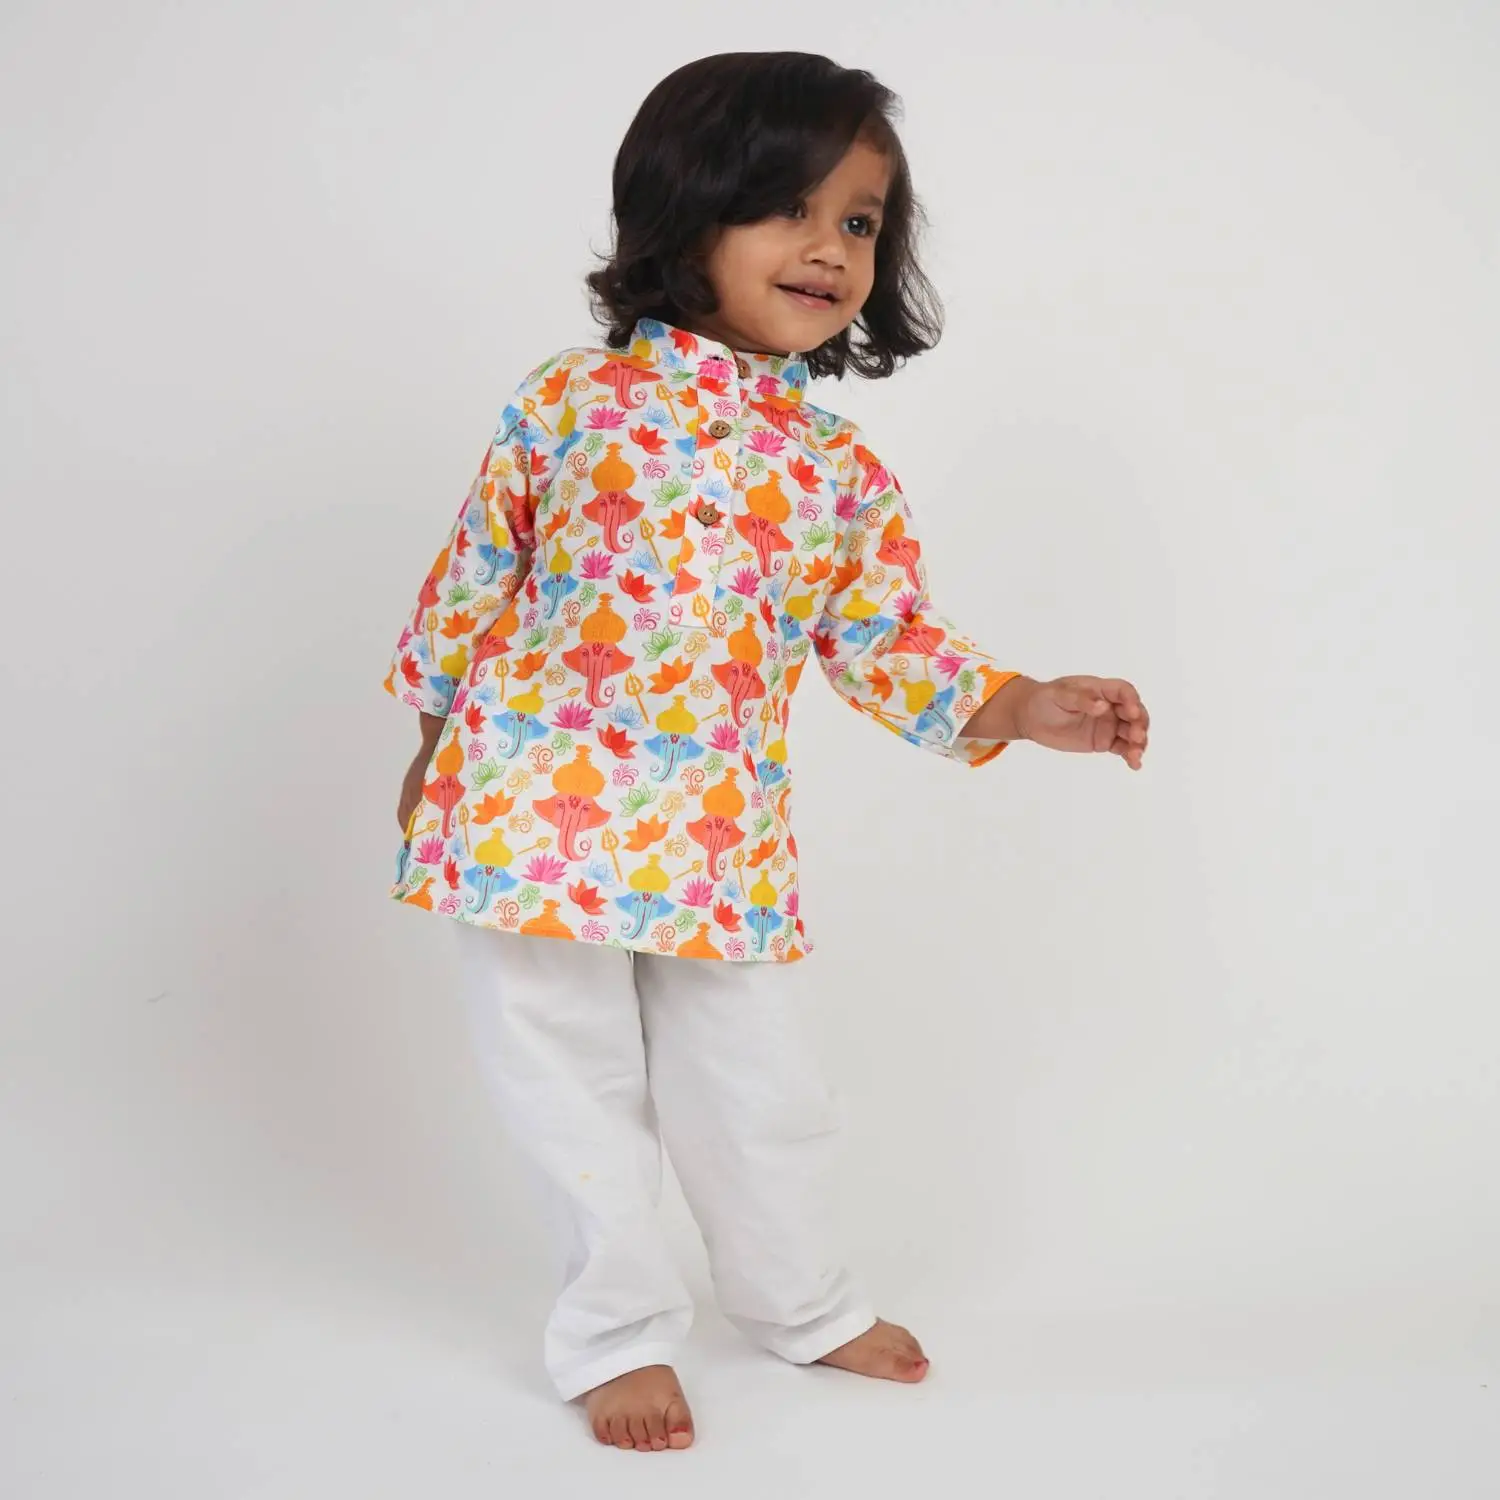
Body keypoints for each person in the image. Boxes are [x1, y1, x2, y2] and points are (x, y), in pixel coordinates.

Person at [383, 51, 1149, 1452]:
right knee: (572, 1091)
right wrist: (433, 746)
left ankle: (799, 1303)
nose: (829, 248)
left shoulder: (836, 473)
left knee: (765, 1092)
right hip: (523, 811)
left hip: (716, 835)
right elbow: (476, 578)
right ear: (687, 212)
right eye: (786, 208)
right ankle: (616, 1334)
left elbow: (889, 643)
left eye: (857, 221)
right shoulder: (570, 403)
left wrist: (1028, 704)